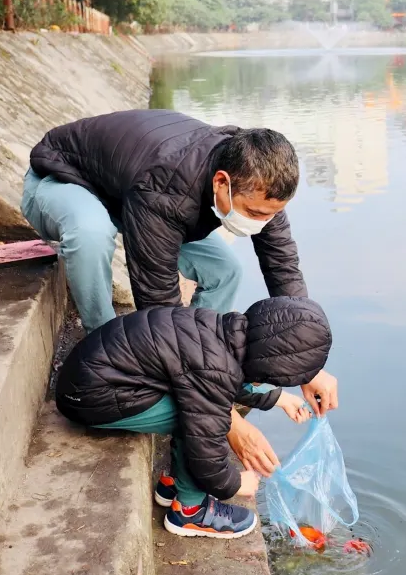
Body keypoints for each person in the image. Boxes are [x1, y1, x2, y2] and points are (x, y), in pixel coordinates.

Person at [23, 110, 339, 475]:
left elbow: (283, 268)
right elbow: (162, 320)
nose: (262, 222)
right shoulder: (166, 189)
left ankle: (215, 363)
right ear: (221, 183)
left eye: (271, 215)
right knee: (92, 233)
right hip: (61, 183)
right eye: (255, 212)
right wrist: (224, 418)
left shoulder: (259, 183)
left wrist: (308, 365)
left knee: (225, 271)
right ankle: (102, 338)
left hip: (130, 196)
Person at [55, 297, 332, 538]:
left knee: (203, 406)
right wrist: (234, 483)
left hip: (95, 378)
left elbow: (226, 379)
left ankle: (176, 485)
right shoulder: (216, 368)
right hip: (90, 398)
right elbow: (206, 444)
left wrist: (279, 398)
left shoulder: (223, 332)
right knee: (202, 421)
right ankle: (190, 511)